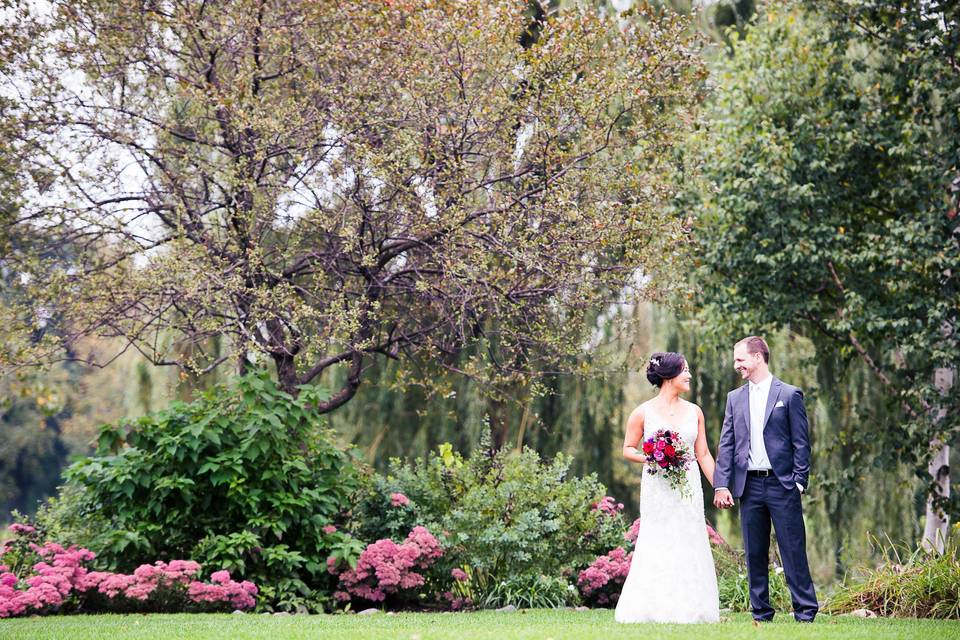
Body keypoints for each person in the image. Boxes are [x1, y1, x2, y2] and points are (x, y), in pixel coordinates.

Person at [713, 336, 818, 622]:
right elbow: (727, 444)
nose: (736, 365)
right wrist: (722, 484)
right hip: (748, 486)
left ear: (758, 357)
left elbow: (801, 443)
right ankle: (761, 613)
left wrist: (798, 481)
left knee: (793, 549)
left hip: (782, 484)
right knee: (754, 552)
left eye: (740, 359)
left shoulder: (789, 394)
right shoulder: (734, 399)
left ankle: (805, 612)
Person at [615, 352, 720, 624]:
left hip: (689, 486)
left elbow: (704, 454)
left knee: (689, 538)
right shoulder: (642, 412)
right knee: (658, 540)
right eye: (685, 370)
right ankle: (651, 608)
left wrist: (720, 487)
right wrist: (652, 457)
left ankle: (692, 608)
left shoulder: (695, 412)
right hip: (657, 487)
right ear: (669, 376)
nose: (689, 375)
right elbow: (628, 448)